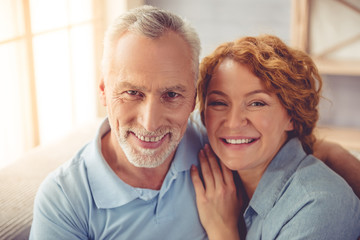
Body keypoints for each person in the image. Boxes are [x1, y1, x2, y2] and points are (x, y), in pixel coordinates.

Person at [30, 6, 360, 239]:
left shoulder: (215, 144)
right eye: (132, 92)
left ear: (192, 99)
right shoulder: (64, 200)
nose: (150, 122)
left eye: (172, 95)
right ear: (103, 90)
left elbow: (304, 153)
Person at [191, 35, 360, 239]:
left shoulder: (316, 204)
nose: (233, 122)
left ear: (291, 115)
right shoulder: (220, 178)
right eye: (219, 103)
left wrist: (223, 231)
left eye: (257, 103)